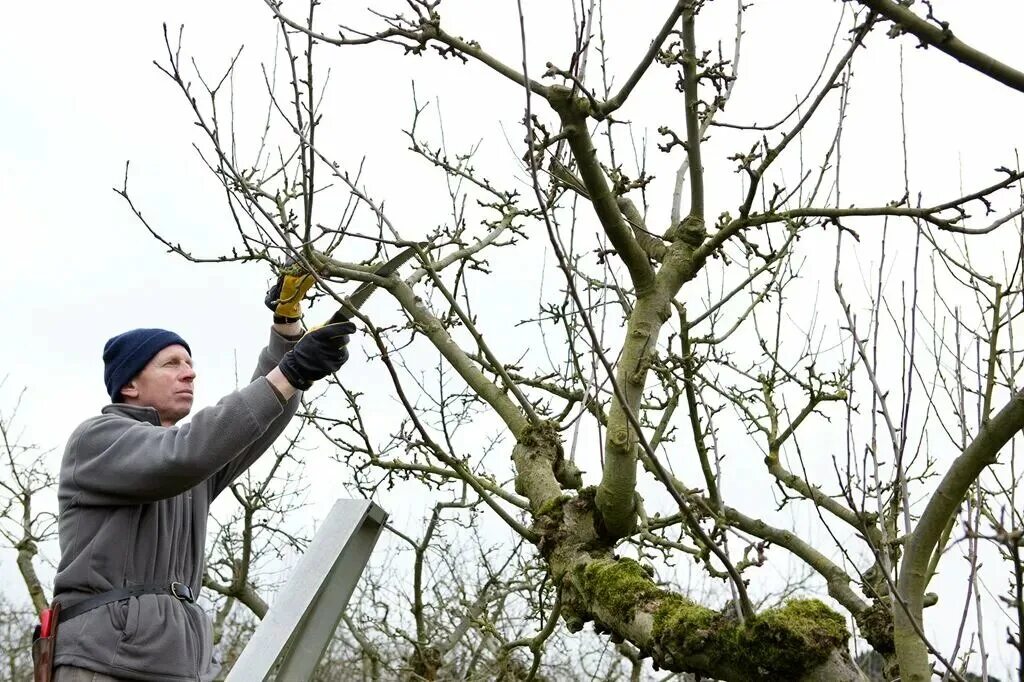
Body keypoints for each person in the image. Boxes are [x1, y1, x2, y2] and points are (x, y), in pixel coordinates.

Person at [48, 272, 354, 682]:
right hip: (103, 660)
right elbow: (185, 454)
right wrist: (289, 372)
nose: (189, 373)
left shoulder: (188, 460)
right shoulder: (98, 440)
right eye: (171, 364)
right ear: (130, 385)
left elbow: (252, 425)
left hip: (179, 664)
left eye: (190, 364)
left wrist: (287, 330)